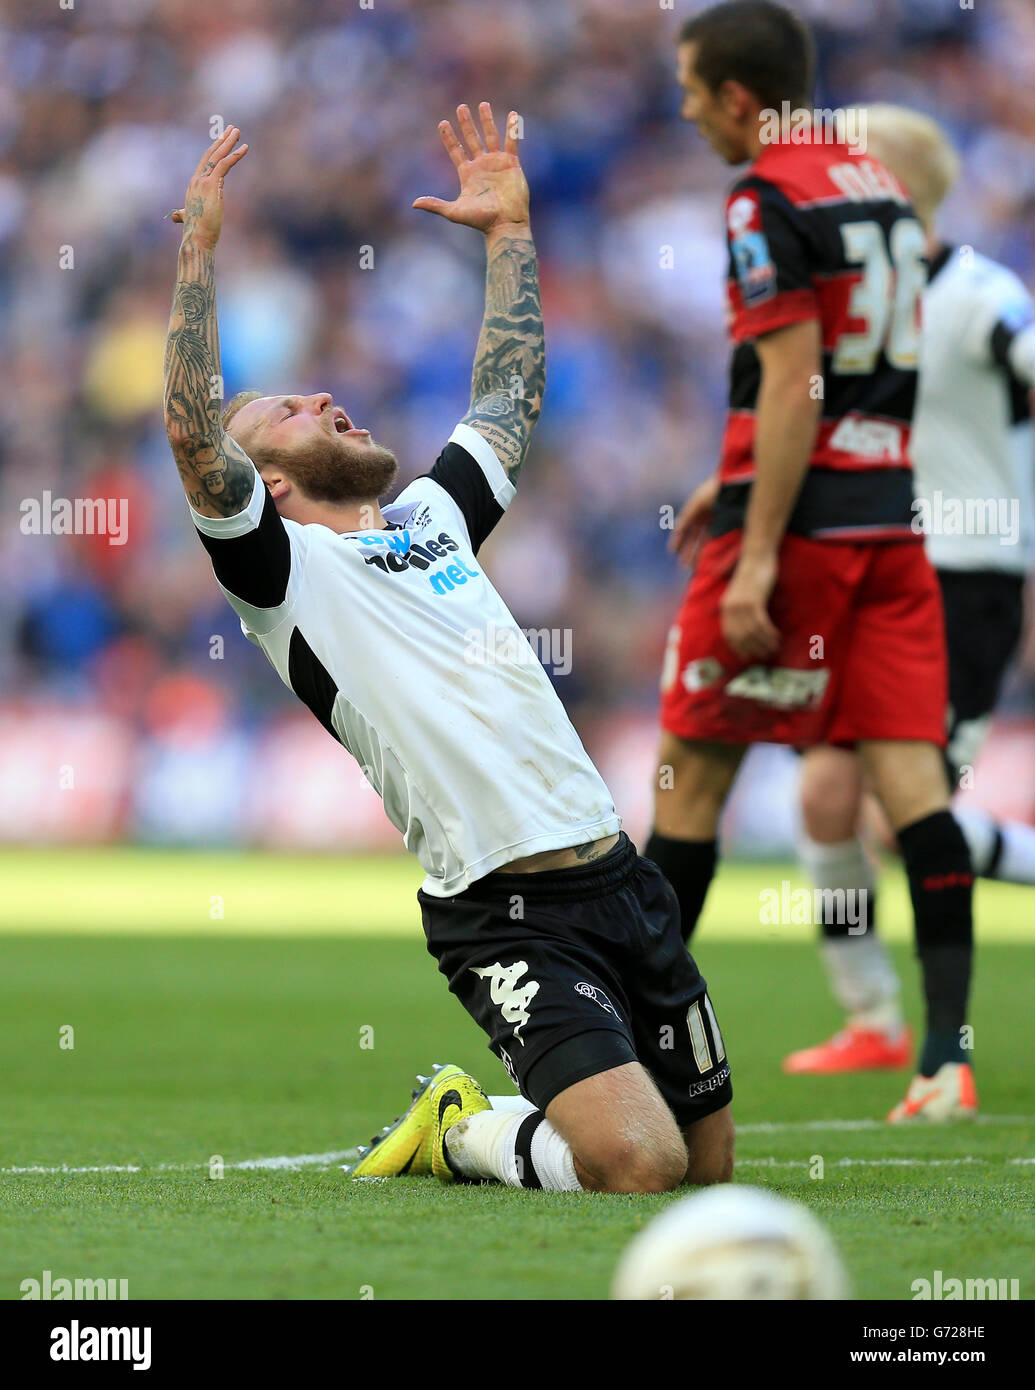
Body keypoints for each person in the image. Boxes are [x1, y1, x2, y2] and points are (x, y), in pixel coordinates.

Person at [163, 107, 733, 1194]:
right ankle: (464, 1128)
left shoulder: (433, 518)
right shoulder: (281, 577)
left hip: (620, 873)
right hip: (501, 909)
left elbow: (510, 394)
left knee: (709, 1173)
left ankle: (513, 1118)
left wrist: (510, 233)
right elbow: (194, 434)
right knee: (640, 1166)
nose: (327, 397)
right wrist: (198, 251)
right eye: (291, 406)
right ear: (268, 484)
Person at [641, 1, 977, 1122]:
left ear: (739, 95)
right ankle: (944, 1056)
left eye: (693, 91)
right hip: (890, 523)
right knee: (911, 791)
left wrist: (755, 551)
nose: (686, 111)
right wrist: (739, 480)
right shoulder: (876, 182)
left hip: (801, 543)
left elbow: (795, 381)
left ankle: (630, 1054)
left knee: (691, 780)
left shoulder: (765, 195)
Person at [787, 105, 1035, 1081]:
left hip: (965, 577)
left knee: (902, 820)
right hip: (864, 568)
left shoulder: (978, 295)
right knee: (822, 794)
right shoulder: (843, 302)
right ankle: (873, 1018)